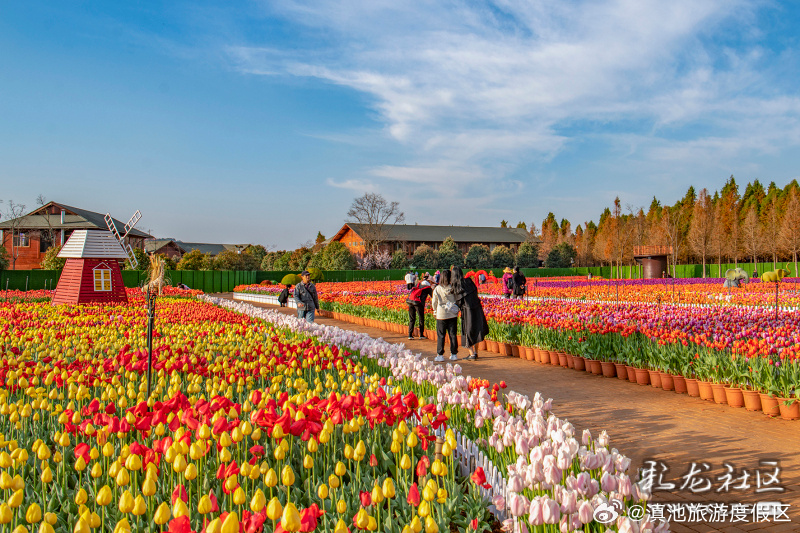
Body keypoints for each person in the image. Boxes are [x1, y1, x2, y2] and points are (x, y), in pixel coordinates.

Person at [452, 266, 489, 360]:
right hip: (477, 308)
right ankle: (476, 352)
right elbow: (475, 292)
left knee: (467, 331)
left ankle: (471, 354)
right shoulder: (469, 281)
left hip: (467, 310)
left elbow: (458, 302)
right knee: (476, 330)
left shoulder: (457, 286)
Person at [431, 269, 459, 362]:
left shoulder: (437, 289)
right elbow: (457, 299)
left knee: (441, 335)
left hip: (441, 314)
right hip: (452, 314)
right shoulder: (453, 288)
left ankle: (440, 355)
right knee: (453, 334)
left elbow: (434, 302)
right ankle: (454, 354)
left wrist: (435, 310)